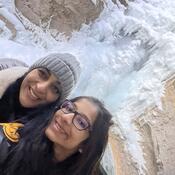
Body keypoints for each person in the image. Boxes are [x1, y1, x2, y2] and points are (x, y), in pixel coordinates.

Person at [0, 96, 113, 175]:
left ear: (85, 144)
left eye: (81, 122)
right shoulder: (13, 139)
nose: (65, 117)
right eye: (69, 108)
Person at [0, 53, 81, 122]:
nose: (40, 88)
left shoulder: (46, 131)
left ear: (56, 102)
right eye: (42, 74)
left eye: (55, 88)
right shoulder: (4, 71)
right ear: (30, 71)